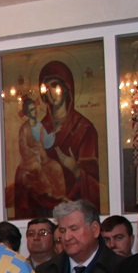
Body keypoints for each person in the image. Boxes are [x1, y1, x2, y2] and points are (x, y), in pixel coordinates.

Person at [34, 60, 101, 211]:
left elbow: (93, 181)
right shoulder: (41, 128)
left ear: (66, 89)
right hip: (46, 201)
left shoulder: (84, 128)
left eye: (55, 86)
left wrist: (75, 169)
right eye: (46, 88)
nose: (50, 93)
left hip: (75, 206)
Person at [15, 95, 67, 217]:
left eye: (35, 108)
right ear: (27, 113)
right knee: (37, 168)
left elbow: (46, 141)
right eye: (32, 110)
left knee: (56, 167)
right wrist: (35, 153)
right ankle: (49, 193)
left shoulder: (39, 125)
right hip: (30, 160)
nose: (35, 111)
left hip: (43, 158)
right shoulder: (24, 129)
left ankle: (59, 196)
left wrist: (54, 132)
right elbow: (23, 148)